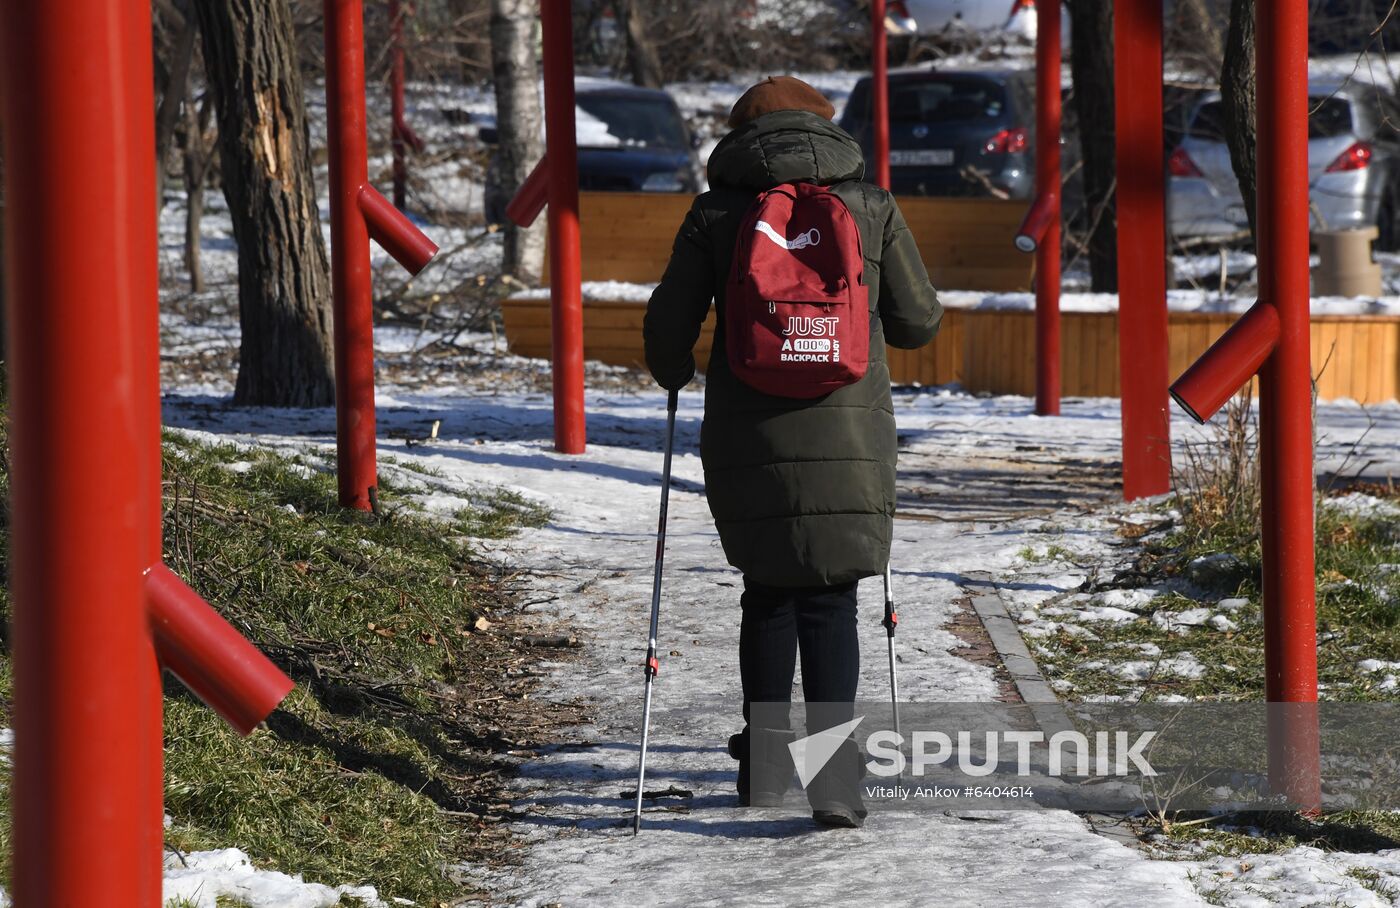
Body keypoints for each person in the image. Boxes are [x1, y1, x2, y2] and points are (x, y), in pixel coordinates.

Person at [643, 76, 942, 828]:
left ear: (741, 134)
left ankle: (769, 766)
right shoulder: (870, 206)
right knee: (833, 598)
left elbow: (665, 334)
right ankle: (836, 777)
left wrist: (678, 368)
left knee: (769, 591)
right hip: (849, 432)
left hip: (748, 434)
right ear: (827, 128)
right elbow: (918, 323)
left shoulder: (717, 212)